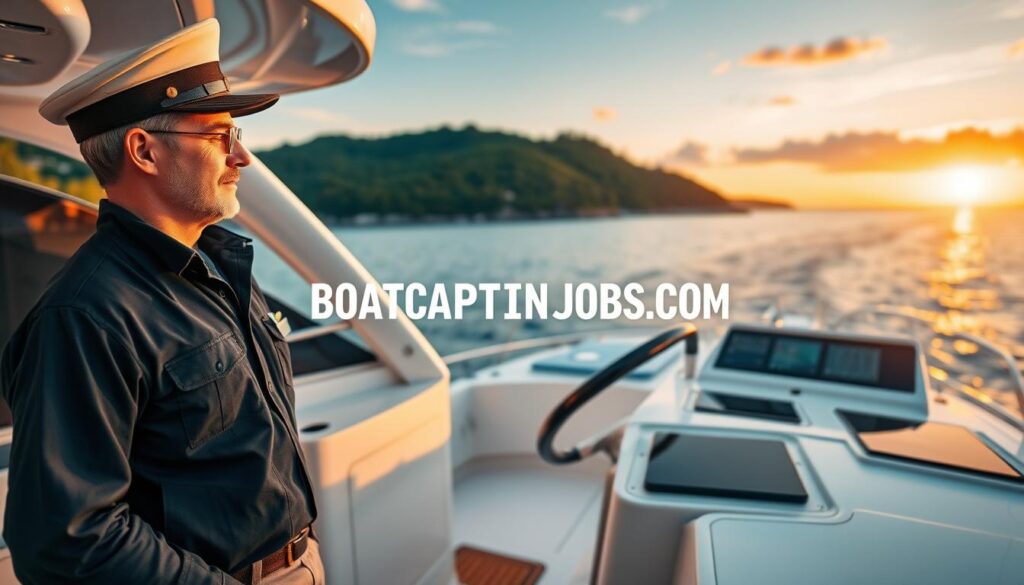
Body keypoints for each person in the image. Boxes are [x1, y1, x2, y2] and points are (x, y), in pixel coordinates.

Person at [0, 19, 324, 585]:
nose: (241, 157)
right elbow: (66, 541)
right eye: (219, 136)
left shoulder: (221, 265)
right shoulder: (85, 316)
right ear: (144, 150)